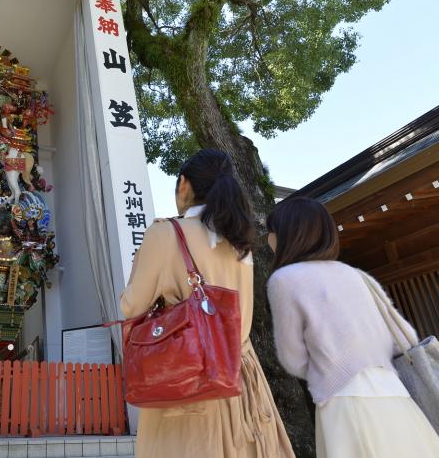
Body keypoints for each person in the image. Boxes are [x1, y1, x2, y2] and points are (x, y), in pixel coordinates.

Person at [120, 149, 294, 458]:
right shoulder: (239, 242)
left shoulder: (165, 234)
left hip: (189, 379)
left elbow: (131, 306)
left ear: (183, 184)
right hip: (242, 379)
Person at [266, 196, 439, 457]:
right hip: (394, 393)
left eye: (271, 231)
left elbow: (293, 359)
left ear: (286, 235)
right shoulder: (356, 275)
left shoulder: (283, 279)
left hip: (342, 399)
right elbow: (401, 337)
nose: (268, 238)